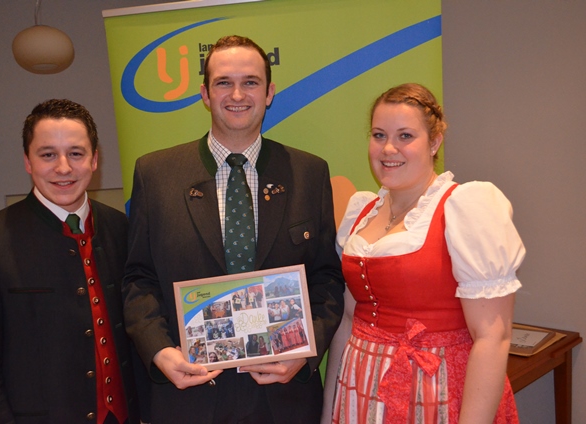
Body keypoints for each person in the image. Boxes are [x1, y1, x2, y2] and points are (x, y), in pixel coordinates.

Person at [122, 35, 344, 423]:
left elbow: (327, 280)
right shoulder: (155, 174)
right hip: (189, 395)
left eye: (250, 82)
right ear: (205, 94)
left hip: (283, 398)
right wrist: (159, 351)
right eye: (224, 82)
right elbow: (139, 279)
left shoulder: (309, 173)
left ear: (269, 93)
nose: (237, 94)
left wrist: (304, 353)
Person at [324, 83, 525, 423]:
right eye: (379, 135)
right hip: (360, 389)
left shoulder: (464, 209)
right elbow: (347, 321)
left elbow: (492, 337)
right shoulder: (361, 212)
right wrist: (329, 411)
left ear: (434, 142)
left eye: (405, 136)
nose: (389, 148)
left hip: (436, 389)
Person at [0, 99, 145, 423]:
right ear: (28, 162)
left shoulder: (121, 228)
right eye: (48, 155)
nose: (63, 168)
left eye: (76, 153)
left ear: (94, 159)